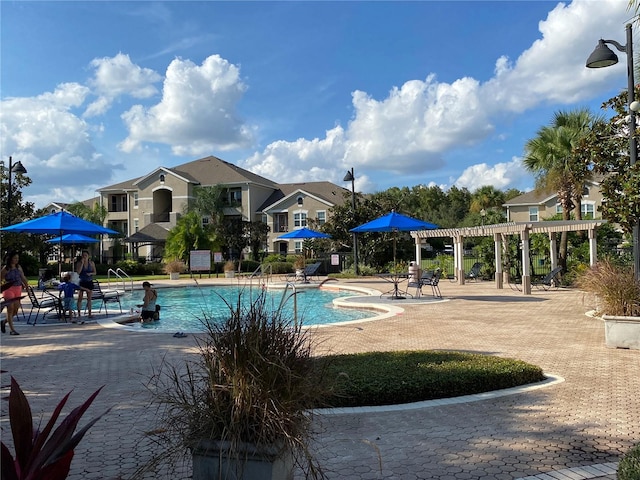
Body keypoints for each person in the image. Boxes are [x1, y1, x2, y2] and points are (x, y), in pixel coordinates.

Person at [1, 251, 29, 335]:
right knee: (10, 309)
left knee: (16, 310)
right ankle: (12, 330)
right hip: (8, 289)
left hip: (18, 289)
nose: (16, 260)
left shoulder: (19, 267)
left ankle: (4, 321)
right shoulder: (6, 268)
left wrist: (27, 287)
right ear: (10, 259)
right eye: (15, 258)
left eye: (17, 258)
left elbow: (23, 278)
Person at [75, 250, 96, 318]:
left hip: (89, 281)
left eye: (86, 255)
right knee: (80, 298)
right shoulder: (79, 263)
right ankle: (79, 314)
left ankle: (89, 313)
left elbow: (95, 272)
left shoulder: (91, 263)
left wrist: (90, 273)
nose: (84, 257)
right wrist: (82, 263)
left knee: (89, 298)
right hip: (81, 281)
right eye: (83, 255)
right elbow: (78, 272)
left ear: (88, 256)